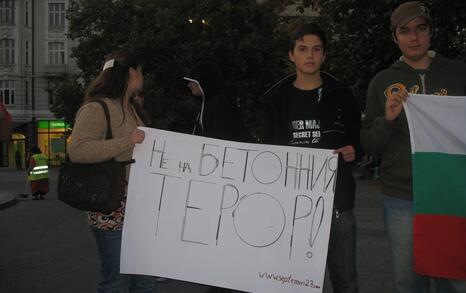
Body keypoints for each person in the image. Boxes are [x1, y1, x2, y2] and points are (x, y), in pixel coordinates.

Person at [360, 1, 466, 292]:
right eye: (405, 31)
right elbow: (369, 143)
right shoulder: (383, 82)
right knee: (409, 282)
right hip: (402, 197)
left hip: (453, 194)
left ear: (431, 32)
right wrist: (388, 120)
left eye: (421, 29)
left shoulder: (459, 74)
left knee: (455, 278)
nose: (414, 37)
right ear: (395, 37)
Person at [262, 22, 361, 293]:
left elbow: (358, 138)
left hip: (337, 203)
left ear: (324, 55)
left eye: (316, 49)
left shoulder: (341, 96)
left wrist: (355, 150)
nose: (310, 55)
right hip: (291, 208)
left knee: (346, 282)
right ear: (291, 55)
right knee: (297, 283)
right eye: (302, 49)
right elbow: (266, 153)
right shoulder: (274, 101)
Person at [68, 50, 157, 293]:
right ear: (131, 72)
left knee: (145, 280)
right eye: (141, 71)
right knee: (116, 280)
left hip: (139, 209)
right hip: (111, 209)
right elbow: (77, 150)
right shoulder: (96, 109)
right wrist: (127, 141)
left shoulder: (131, 107)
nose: (143, 76)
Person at [184, 61, 252, 142]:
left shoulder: (219, 101)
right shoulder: (208, 102)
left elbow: (223, 135)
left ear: (201, 81)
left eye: (191, 81)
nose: (188, 85)